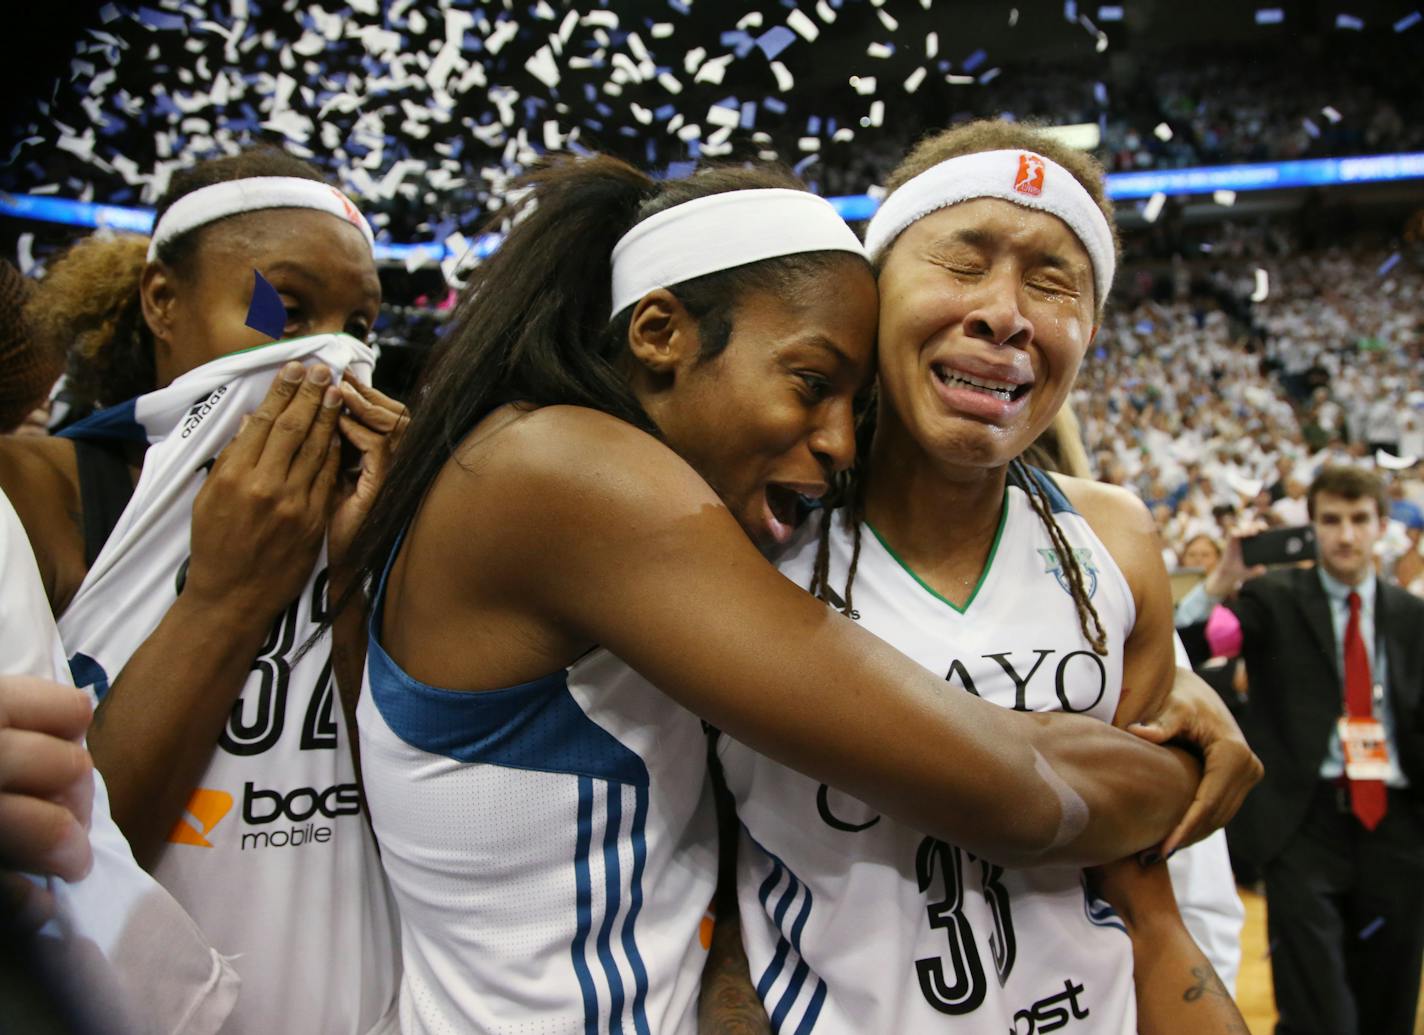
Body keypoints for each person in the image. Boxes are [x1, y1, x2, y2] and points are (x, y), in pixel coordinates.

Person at [350, 153, 1257, 1033]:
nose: (841, 442)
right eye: (812, 383)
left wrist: (1159, 669)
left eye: (850, 402)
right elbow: (1020, 793)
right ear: (658, 333)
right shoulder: (564, 472)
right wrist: (1180, 760)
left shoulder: (621, 518)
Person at [715, 124, 1250, 1033]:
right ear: (875, 294)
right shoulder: (749, 538)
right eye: (963, 264)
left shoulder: (1114, 541)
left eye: (1052, 283)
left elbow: (1151, 901)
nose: (1005, 313)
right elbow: (713, 890)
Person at [0, 147, 406, 1033]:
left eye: (361, 324)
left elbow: (422, 833)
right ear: (163, 301)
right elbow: (70, 870)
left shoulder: (386, 500)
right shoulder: (38, 494)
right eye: (285, 309)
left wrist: (377, 573)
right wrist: (226, 593)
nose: (333, 352)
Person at [1180, 465, 1424, 1034]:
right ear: (1311, 527)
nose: (1346, 535)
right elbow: (1190, 645)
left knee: (1389, 1006)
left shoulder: (1413, 619)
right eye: (1331, 520)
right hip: (1303, 823)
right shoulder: (1273, 600)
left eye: (1359, 520)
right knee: (1318, 1013)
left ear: (1380, 526)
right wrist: (1220, 581)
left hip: (1397, 828)